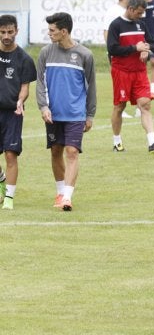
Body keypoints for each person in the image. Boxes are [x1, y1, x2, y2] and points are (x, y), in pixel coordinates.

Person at [36, 12, 96, 212]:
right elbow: (40, 83)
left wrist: (90, 115)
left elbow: (91, 87)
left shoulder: (85, 55)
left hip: (76, 114)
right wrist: (43, 107)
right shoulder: (45, 52)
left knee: (72, 152)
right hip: (53, 114)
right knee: (55, 152)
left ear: (64, 31)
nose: (49, 33)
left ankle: (67, 197)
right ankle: (60, 191)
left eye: (52, 30)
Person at [107, 0, 154, 153]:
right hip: (121, 72)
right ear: (130, 9)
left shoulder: (141, 25)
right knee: (120, 107)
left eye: (143, 13)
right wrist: (135, 48)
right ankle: (117, 142)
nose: (141, 16)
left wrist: (147, 52)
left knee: (145, 105)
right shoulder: (116, 25)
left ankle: (152, 142)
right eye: (139, 13)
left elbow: (153, 44)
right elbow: (112, 49)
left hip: (140, 72)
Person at [0, 14, 36, 210]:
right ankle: (1, 180)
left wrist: (20, 101)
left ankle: (9, 199)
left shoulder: (24, 59)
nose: (6, 36)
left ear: (17, 31)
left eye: (10, 32)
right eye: (3, 32)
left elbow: (25, 87)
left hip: (13, 113)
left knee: (10, 155)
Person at [103, 0, 137, 119]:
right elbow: (106, 31)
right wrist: (111, 50)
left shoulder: (126, 12)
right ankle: (120, 108)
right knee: (119, 81)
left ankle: (132, 107)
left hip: (129, 53)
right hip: (117, 53)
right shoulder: (113, 11)